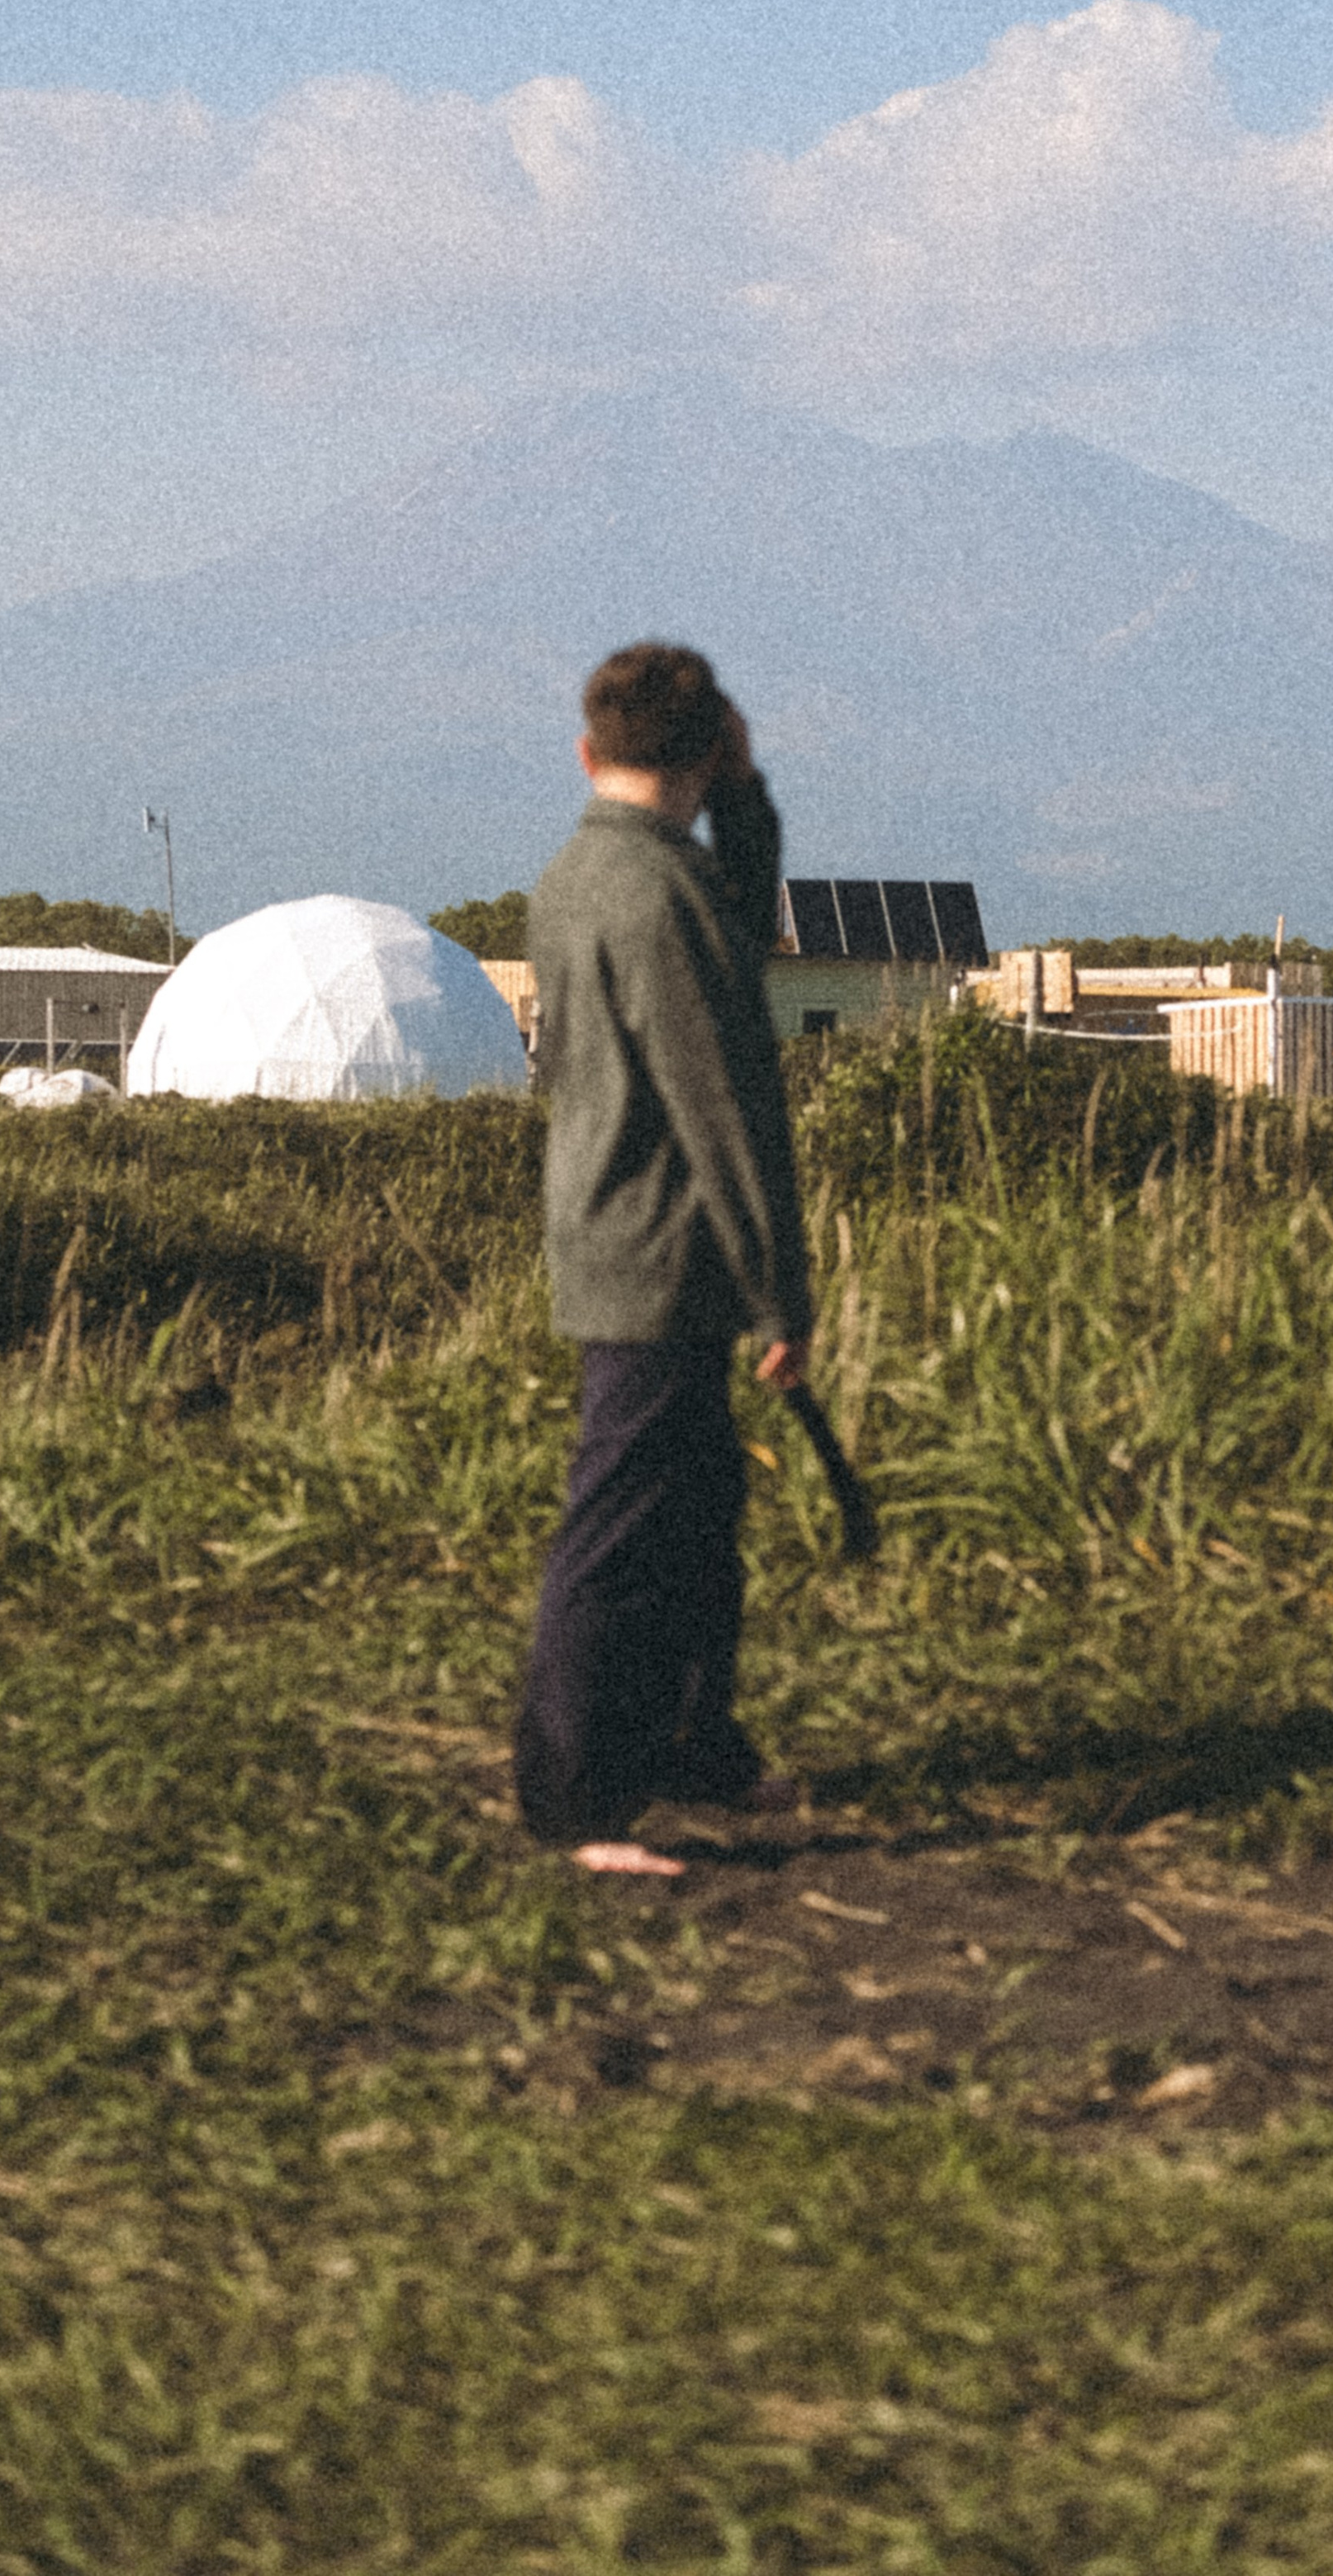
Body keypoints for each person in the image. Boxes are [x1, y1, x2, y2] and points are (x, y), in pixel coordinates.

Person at [515, 643, 813, 1877]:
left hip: (605, 1232)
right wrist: (780, 1290)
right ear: (709, 749)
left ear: (588, 751)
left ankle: (697, 1743)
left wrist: (737, 808)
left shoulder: (580, 878)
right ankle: (575, 1801)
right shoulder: (663, 900)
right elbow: (725, 1109)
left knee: (697, 1504)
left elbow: (732, 915)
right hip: (664, 1252)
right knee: (622, 1524)